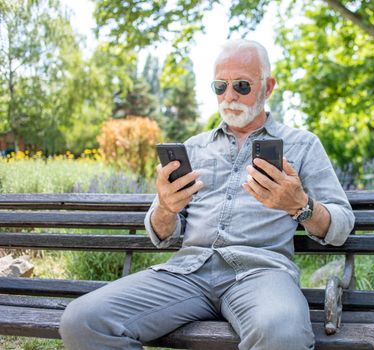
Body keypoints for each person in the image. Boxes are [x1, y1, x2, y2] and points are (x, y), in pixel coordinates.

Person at [59, 39, 354, 350]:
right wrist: (165, 207)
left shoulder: (303, 145)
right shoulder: (194, 147)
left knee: (282, 333)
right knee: (82, 320)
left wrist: (301, 206)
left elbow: (342, 222)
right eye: (220, 86)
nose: (229, 96)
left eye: (242, 85)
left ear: (268, 87)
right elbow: (160, 232)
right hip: (186, 273)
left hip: (260, 274)